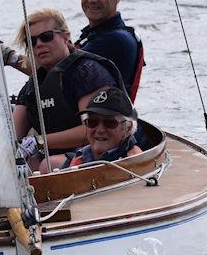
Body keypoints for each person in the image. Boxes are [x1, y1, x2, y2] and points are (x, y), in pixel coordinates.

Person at [11, 9, 127, 167]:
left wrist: (40, 141)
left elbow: (93, 131)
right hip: (57, 155)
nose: (39, 44)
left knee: (47, 165)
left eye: (46, 37)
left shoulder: (87, 73)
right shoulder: (32, 86)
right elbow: (13, 135)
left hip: (101, 153)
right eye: (32, 41)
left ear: (66, 37)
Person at [75, 0, 145, 101]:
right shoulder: (95, 34)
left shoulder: (115, 40)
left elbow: (55, 72)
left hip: (100, 121)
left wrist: (16, 59)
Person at [62, 87, 142, 168]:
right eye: (92, 122)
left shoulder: (134, 165)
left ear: (128, 128)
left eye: (109, 123)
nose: (100, 130)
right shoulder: (76, 157)